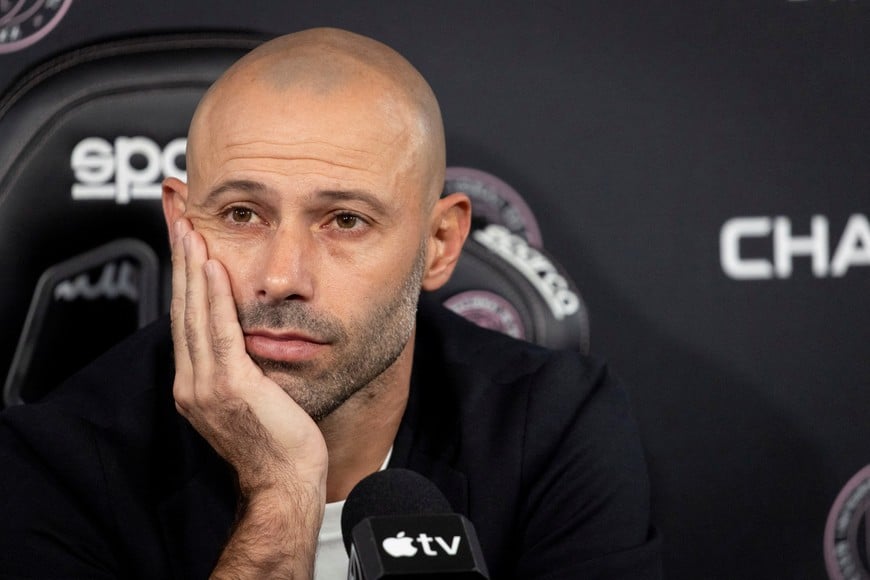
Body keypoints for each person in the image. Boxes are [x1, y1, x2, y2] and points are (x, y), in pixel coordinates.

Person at [0, 27, 660, 578]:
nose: (283, 276)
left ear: (439, 244)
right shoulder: (56, 467)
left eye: (344, 220)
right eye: (241, 213)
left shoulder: (553, 426)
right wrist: (280, 493)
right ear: (182, 225)